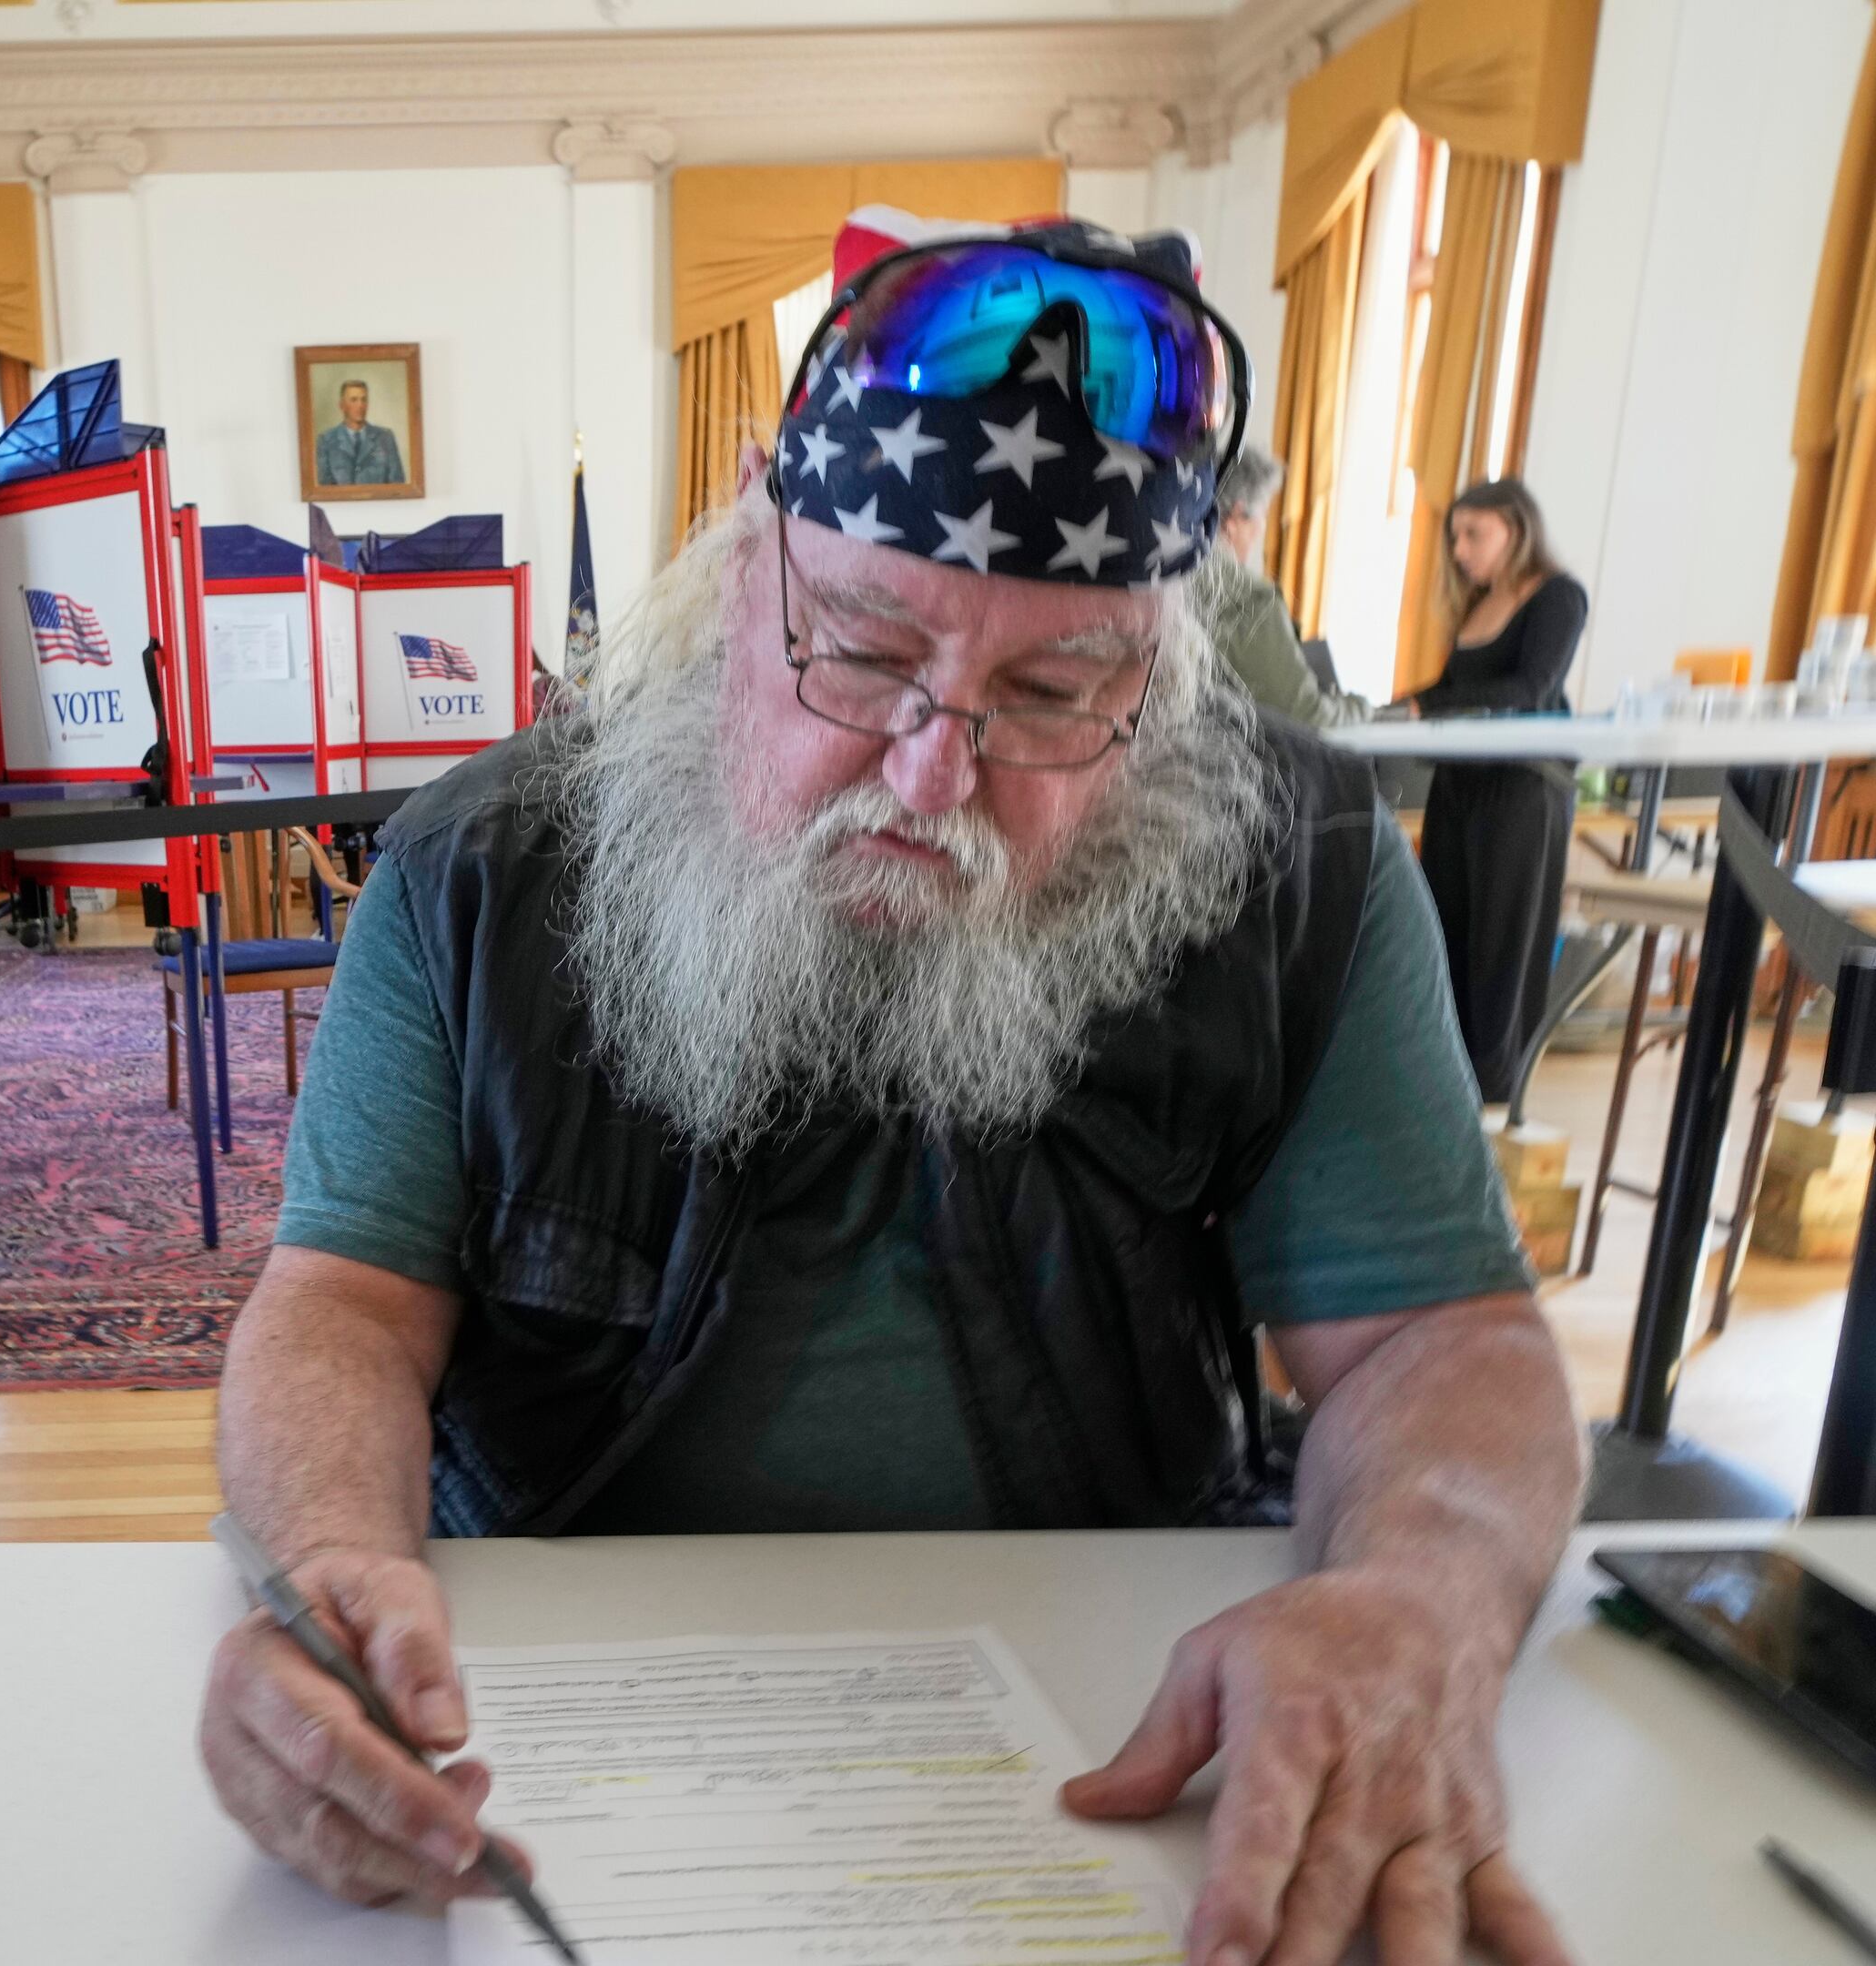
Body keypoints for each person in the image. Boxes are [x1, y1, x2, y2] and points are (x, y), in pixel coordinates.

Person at [198, 216, 1582, 1966]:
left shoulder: (1294, 869)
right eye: (858, 654)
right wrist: (332, 1573)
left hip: (1110, 1731)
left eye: (1050, 692)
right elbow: (339, 1307)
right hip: (549, 1721)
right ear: (740, 584)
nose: (933, 770)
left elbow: (1438, 1343)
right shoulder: (479, 874)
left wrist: (1413, 1606)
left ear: (1153, 691)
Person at [1409, 479, 1589, 1103]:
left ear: (1515, 530)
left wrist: (1426, 710)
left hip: (1522, 793)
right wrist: (1404, 707)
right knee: (1445, 936)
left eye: (1472, 534)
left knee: (1502, 953)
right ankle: (1443, 1090)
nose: (1459, 549)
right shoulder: (1476, 605)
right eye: (1454, 536)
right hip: (1459, 789)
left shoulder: (1559, 597)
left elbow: (1529, 691)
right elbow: (1449, 689)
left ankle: (1494, 1099)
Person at [1195, 449, 1359, 725]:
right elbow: (1309, 717)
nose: (1261, 529)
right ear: (1236, 517)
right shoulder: (1250, 601)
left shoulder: (1164, 579)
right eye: (1263, 515)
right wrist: (1361, 709)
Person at [316, 380, 408, 487]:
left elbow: (397, 484)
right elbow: (324, 488)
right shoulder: (326, 440)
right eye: (354, 400)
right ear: (342, 405)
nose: (360, 405)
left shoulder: (385, 438)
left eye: (364, 400)